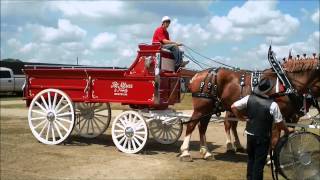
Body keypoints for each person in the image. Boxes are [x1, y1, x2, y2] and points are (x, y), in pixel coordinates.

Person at [230, 78, 290, 180]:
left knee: (251, 160)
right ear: (269, 90)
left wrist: (241, 117)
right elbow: (279, 123)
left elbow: (233, 106)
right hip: (262, 138)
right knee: (259, 164)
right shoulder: (273, 105)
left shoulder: (249, 98)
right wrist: (287, 130)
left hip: (250, 135)